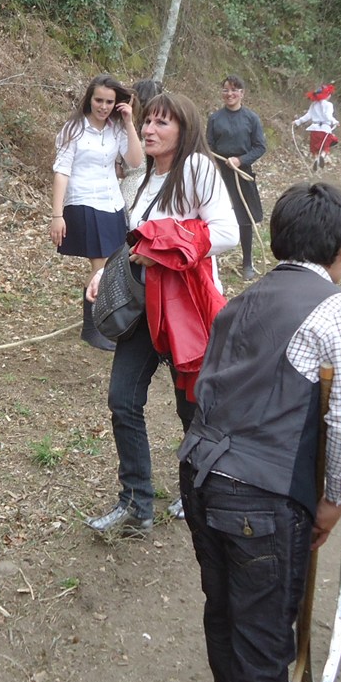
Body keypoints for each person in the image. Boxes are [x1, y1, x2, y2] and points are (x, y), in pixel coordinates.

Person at [177, 182, 341, 682]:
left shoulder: (238, 302)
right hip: (259, 500)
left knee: (226, 621)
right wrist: (335, 499)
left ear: (277, 241)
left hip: (200, 477)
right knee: (261, 648)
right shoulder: (339, 308)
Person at [85, 92, 238, 535]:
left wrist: (166, 248)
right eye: (147, 121)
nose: (149, 129)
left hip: (186, 311)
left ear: (183, 130)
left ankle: (198, 492)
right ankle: (136, 502)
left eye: (161, 123)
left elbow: (226, 232)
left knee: (191, 408)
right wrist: (107, 273)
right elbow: (136, 240)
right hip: (143, 308)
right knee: (122, 400)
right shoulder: (147, 176)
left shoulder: (196, 168)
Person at [51, 74, 144, 351]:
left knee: (113, 264)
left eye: (109, 102)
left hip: (112, 202)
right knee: (100, 266)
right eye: (98, 100)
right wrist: (57, 215)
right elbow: (62, 171)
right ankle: (93, 328)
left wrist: (129, 122)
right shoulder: (74, 129)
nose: (103, 106)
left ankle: (103, 322)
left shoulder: (117, 128)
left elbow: (135, 160)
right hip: (84, 202)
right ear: (89, 100)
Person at [207, 74, 267, 280]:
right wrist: (215, 164)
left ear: (242, 93)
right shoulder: (215, 118)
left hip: (242, 173)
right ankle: (210, 260)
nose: (229, 94)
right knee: (212, 215)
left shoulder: (252, 118)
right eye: (225, 90)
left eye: (234, 90)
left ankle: (247, 262)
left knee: (244, 218)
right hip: (219, 174)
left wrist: (240, 161)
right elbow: (208, 146)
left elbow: (260, 147)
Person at [119, 79, 164, 209]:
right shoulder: (159, 131)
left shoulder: (123, 127)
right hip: (152, 186)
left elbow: (117, 169)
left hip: (129, 185)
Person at [293, 84, 339, 166]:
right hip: (325, 129)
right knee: (325, 146)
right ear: (327, 95)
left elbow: (308, 116)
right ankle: (322, 156)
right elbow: (328, 115)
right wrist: (335, 121)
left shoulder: (313, 104)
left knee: (315, 148)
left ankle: (316, 159)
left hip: (314, 129)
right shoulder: (329, 105)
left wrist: (297, 122)